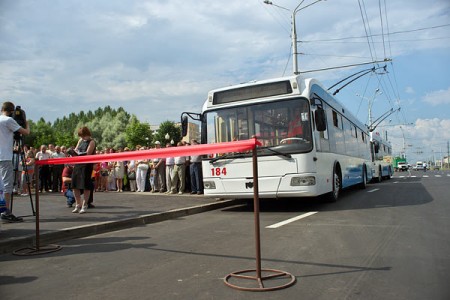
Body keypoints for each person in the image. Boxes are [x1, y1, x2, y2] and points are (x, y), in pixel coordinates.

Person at [0, 101, 30, 223]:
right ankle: (5, 212)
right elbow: (26, 132)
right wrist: (26, 123)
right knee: (7, 185)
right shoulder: (8, 120)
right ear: (11, 111)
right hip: (5, 157)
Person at [71, 126, 96, 214]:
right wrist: (72, 152)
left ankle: (85, 204)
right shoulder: (80, 140)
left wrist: (79, 153)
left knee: (85, 185)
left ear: (87, 134)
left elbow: (88, 153)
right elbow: (76, 150)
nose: (81, 137)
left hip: (86, 165)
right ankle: (78, 204)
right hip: (78, 164)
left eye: (83, 135)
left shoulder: (92, 142)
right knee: (74, 185)